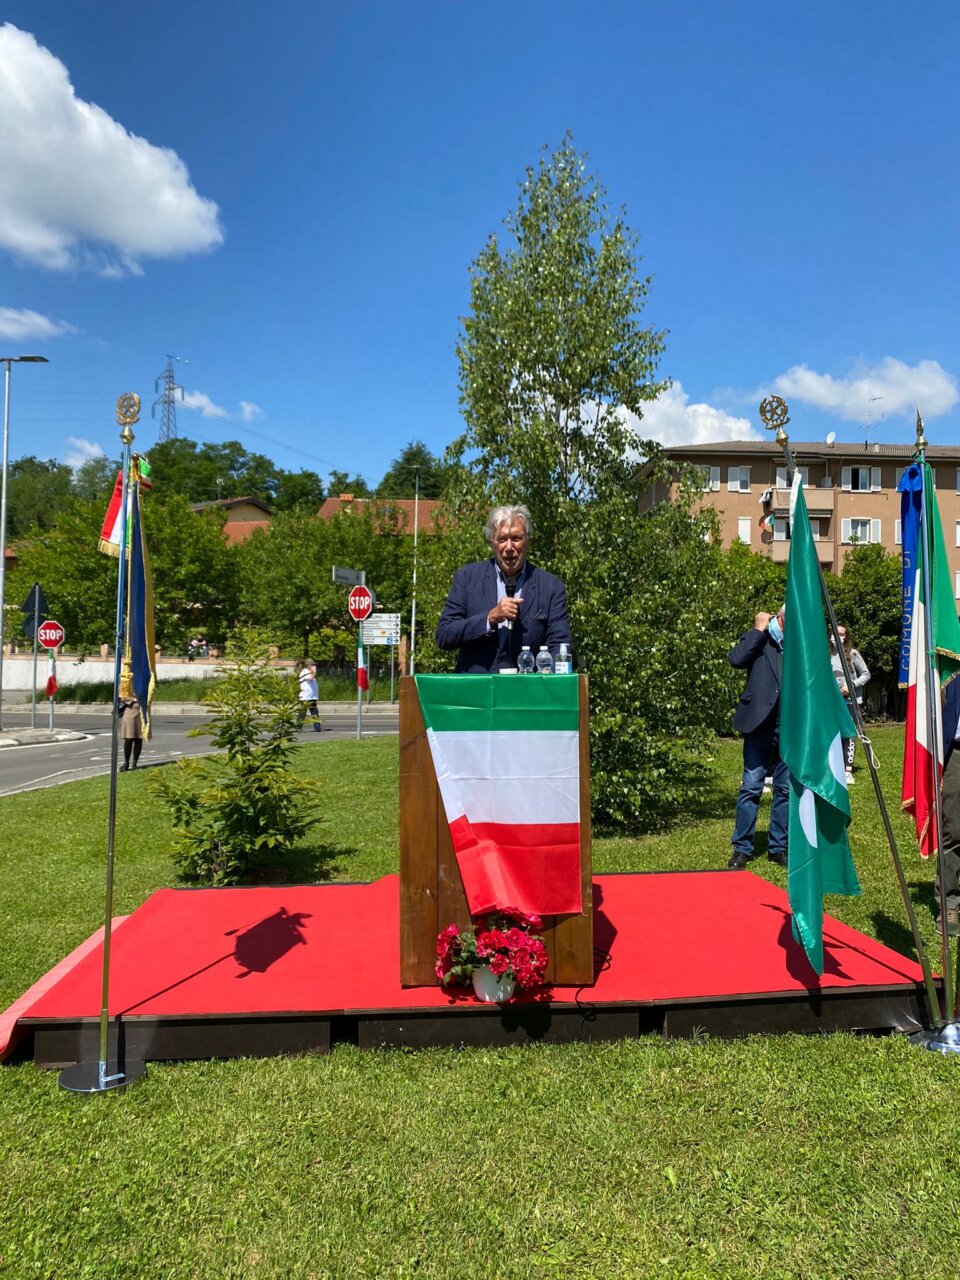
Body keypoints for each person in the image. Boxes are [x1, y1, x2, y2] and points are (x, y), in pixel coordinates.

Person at [436, 504, 573, 673]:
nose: (508, 547)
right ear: (492, 543)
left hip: (527, 693)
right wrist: (489, 618)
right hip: (477, 692)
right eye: (501, 539)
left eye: (516, 538)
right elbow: (444, 635)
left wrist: (544, 680)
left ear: (528, 541)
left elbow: (560, 646)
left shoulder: (551, 586)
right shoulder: (467, 578)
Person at [728, 607, 789, 869]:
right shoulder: (761, 637)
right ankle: (742, 848)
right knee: (751, 786)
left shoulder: (799, 642)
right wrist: (757, 630)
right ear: (780, 616)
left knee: (785, 789)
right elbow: (736, 659)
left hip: (789, 725)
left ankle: (778, 847)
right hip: (758, 723)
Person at [829, 623, 870, 784]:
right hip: (831, 702)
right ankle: (834, 765)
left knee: (850, 734)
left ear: (846, 637)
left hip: (850, 701)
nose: (836, 637)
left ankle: (848, 770)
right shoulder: (826, 654)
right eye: (834, 633)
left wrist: (851, 686)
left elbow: (866, 674)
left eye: (841, 634)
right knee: (834, 733)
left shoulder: (853, 654)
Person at [117, 664, 143, 771]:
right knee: (128, 738)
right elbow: (122, 695)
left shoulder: (144, 679)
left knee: (138, 738)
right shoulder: (126, 680)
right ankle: (126, 762)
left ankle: (135, 763)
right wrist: (134, 700)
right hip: (130, 710)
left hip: (141, 711)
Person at [297, 660, 321, 732]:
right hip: (305, 697)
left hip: (312, 697)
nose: (314, 666)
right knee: (302, 713)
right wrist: (314, 672)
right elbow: (311, 678)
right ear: (308, 665)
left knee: (315, 713)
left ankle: (317, 728)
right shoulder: (304, 672)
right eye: (313, 665)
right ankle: (298, 728)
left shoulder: (310, 673)